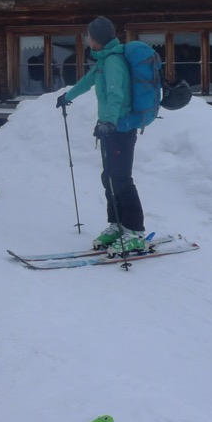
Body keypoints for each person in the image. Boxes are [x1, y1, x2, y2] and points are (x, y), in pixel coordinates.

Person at [56, 16, 147, 255]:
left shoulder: (114, 62)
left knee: (122, 179)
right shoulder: (103, 61)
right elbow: (88, 82)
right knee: (109, 177)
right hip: (111, 129)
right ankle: (117, 224)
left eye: (89, 35)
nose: (87, 39)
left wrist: (108, 121)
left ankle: (135, 231)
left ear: (97, 39)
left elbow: (116, 95)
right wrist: (68, 96)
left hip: (121, 129)